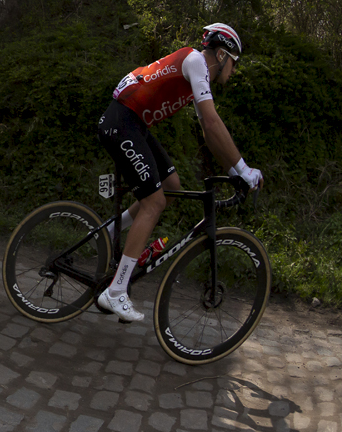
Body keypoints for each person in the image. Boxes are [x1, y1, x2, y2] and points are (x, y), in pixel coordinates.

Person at [95, 22, 262, 322]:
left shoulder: (199, 74)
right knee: (154, 202)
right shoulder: (197, 61)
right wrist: (245, 169)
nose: (233, 72)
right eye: (234, 64)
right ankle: (116, 292)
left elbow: (209, 132)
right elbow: (212, 123)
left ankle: (109, 232)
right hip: (122, 122)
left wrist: (234, 169)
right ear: (222, 55)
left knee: (171, 186)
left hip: (134, 124)